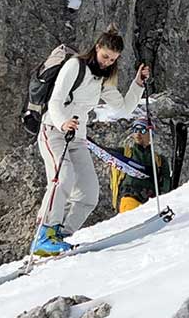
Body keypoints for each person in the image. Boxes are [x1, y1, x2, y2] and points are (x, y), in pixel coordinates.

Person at [33, 27, 150, 256]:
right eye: (105, 56)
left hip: (78, 138)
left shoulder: (103, 80)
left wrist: (137, 83)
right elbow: (56, 101)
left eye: (113, 59)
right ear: (97, 47)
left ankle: (61, 235)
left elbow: (124, 107)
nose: (107, 62)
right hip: (54, 131)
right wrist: (63, 123)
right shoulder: (75, 66)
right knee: (62, 177)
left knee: (89, 194)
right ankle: (44, 234)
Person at [108, 108, 180, 213]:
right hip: (130, 197)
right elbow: (108, 153)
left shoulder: (159, 160)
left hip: (151, 202)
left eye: (142, 130)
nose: (138, 134)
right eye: (135, 130)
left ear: (150, 134)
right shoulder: (125, 153)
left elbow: (166, 185)